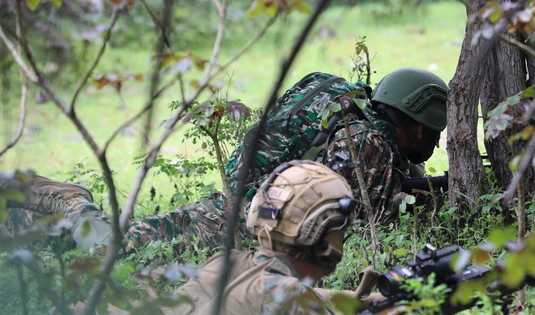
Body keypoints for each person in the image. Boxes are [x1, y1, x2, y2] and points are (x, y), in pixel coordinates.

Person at [1, 67, 448, 257]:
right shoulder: (369, 142)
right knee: (108, 250)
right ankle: (70, 199)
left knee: (108, 246)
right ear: (420, 124)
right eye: (435, 131)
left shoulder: (353, 113)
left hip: (234, 211)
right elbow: (367, 218)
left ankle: (16, 225)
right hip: (232, 227)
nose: (434, 142)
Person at [136, 159, 408, 315]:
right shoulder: (289, 296)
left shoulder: (226, 263)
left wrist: (366, 303)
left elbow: (277, 289)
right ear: (324, 236)